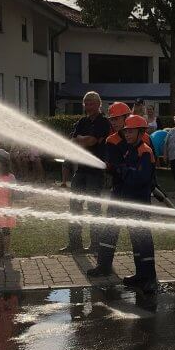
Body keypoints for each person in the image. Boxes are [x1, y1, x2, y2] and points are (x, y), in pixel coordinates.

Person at [87, 115, 158, 293]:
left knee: (142, 241)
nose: (127, 134)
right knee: (134, 238)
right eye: (126, 131)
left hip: (139, 202)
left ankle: (149, 278)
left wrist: (119, 169)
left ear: (141, 133)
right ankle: (140, 276)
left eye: (131, 131)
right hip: (127, 198)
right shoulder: (130, 150)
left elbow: (140, 178)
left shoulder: (145, 151)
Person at [63, 91, 111, 254]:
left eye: (92, 103)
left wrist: (81, 139)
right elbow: (73, 141)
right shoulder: (82, 121)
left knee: (93, 208)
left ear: (99, 104)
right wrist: (85, 139)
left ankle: (95, 244)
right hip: (81, 170)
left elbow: (91, 140)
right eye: (86, 103)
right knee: (74, 206)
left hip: (95, 172)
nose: (89, 106)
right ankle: (74, 243)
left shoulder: (104, 122)